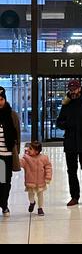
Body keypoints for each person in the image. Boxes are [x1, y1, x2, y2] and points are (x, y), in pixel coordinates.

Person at [0, 86, 21, 217]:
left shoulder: (11, 114)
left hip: (6, 155)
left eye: (1, 99)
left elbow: (17, 134)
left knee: (5, 181)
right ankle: (3, 204)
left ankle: (4, 204)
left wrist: (16, 153)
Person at [20, 141, 52, 216]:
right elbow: (20, 164)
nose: (28, 149)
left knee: (40, 195)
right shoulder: (26, 159)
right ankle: (32, 202)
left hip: (41, 182)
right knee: (30, 194)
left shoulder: (44, 158)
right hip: (30, 181)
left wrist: (48, 177)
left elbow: (48, 167)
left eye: (30, 149)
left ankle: (40, 208)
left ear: (36, 151)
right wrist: (23, 156)